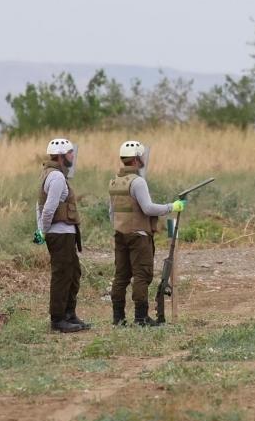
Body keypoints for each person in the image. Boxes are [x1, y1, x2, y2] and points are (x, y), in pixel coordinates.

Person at [107, 139, 183, 326]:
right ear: (135, 160)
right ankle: (141, 318)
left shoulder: (115, 181)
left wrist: (120, 228)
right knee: (142, 275)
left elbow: (111, 213)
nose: (143, 160)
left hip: (120, 234)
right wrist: (171, 207)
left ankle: (118, 318)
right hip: (139, 235)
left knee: (121, 276)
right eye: (141, 157)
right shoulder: (138, 182)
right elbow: (148, 208)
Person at [33, 137, 90, 332]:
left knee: (73, 273)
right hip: (60, 234)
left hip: (62, 233)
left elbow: (38, 207)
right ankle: (58, 320)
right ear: (60, 155)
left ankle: (69, 315)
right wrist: (43, 231)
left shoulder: (50, 174)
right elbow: (48, 209)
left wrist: (40, 231)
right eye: (69, 153)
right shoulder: (56, 177)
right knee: (62, 276)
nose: (72, 156)